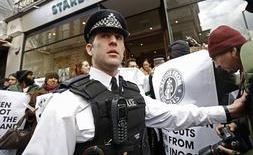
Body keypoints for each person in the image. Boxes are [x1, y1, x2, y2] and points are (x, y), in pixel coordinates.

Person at [23, 9, 247, 155]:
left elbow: (176, 115)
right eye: (104, 35)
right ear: (90, 48)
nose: (113, 41)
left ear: (123, 48)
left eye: (118, 37)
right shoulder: (66, 105)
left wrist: (228, 111)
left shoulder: (134, 93)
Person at [207, 25, 253, 154]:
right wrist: (236, 124)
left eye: (216, 58)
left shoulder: (251, 73)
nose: (217, 65)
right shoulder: (246, 73)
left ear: (233, 51)